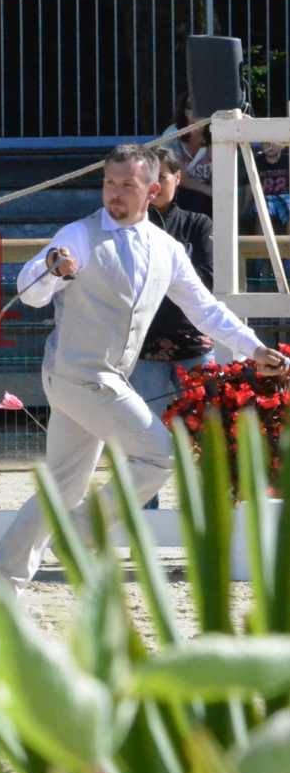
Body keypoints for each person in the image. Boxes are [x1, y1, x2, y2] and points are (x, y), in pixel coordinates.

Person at [0, 144, 285, 594]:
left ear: (153, 188)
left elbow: (205, 310)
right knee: (161, 455)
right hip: (79, 376)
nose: (116, 193)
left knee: (63, 488)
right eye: (110, 182)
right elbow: (29, 291)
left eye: (128, 184)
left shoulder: (165, 247)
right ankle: (82, 533)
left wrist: (255, 347)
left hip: (99, 377)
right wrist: (51, 269)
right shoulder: (80, 234)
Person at [129, 150, 216, 509]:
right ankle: (145, 525)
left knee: (208, 435)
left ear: (177, 179)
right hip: (144, 346)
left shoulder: (198, 224)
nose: (156, 185)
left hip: (193, 344)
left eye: (163, 177)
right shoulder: (131, 227)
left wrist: (158, 286)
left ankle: (212, 516)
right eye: (150, 179)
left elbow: (207, 280)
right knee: (144, 438)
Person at [163, 93, 212, 215]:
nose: (196, 111)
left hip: (208, 195)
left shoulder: (217, 135)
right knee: (195, 199)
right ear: (184, 111)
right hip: (179, 193)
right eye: (190, 106)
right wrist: (212, 192)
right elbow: (183, 179)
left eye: (201, 106)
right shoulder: (173, 135)